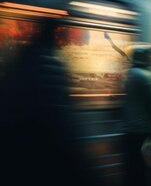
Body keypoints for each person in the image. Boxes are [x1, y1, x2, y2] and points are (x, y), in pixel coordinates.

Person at [0, 18, 93, 186]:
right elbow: (59, 116)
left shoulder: (20, 60)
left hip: (16, 142)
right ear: (53, 37)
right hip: (43, 142)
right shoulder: (51, 63)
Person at [122, 45, 151, 186]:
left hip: (129, 131)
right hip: (145, 133)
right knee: (148, 171)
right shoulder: (146, 76)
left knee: (133, 171)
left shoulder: (129, 74)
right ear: (145, 58)